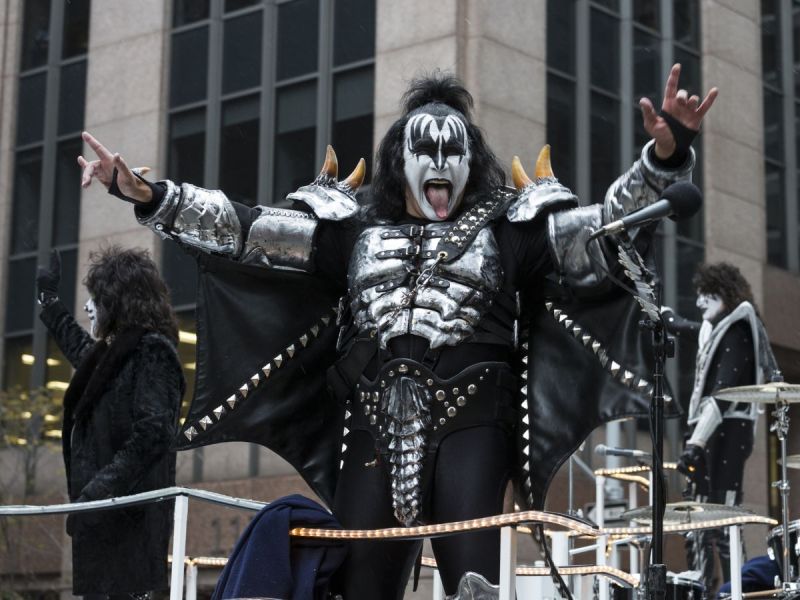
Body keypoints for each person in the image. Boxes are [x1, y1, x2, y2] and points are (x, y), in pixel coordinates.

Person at [77, 65, 714, 599]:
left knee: (473, 583)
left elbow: (604, 228)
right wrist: (147, 193)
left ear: (472, 156)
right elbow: (246, 231)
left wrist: (664, 158)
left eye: (452, 150)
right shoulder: (351, 229)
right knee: (362, 585)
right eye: (425, 150)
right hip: (372, 424)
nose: (439, 163)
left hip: (473, 423)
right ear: (399, 156)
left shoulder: (510, 229)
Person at [36, 247, 185, 600]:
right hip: (104, 520)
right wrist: (49, 300)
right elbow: (81, 350)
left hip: (128, 522)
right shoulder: (115, 354)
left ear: (116, 302)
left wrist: (97, 493)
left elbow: (154, 432)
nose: (88, 307)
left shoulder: (153, 351)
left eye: (96, 299)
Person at [664, 262, 781, 592]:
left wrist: (696, 442)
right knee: (699, 520)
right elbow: (688, 328)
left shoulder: (739, 332)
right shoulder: (719, 331)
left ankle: (734, 590)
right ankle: (704, 587)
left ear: (725, 296)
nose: (699, 301)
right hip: (711, 433)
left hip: (726, 434)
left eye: (706, 295)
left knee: (724, 517)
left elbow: (722, 394)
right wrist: (666, 318)